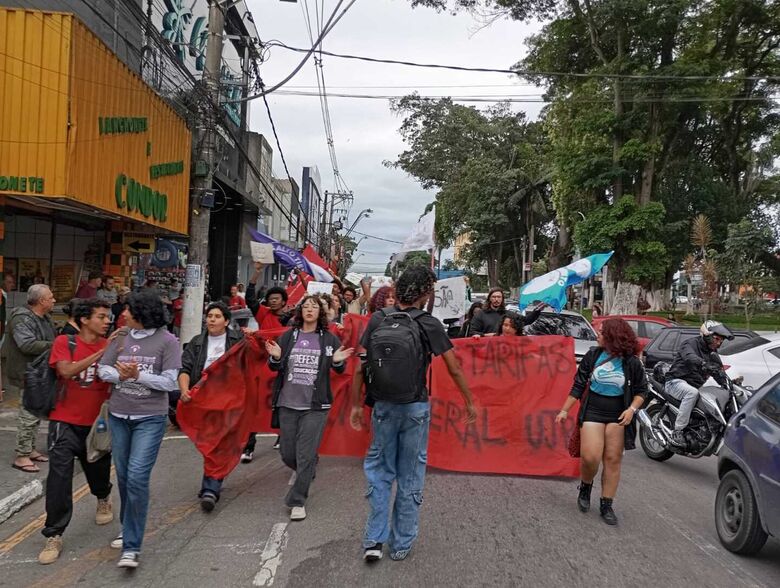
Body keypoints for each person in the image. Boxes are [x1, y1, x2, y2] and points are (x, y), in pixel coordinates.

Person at [350, 266, 477, 562]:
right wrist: (469, 400)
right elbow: (453, 366)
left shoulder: (378, 318)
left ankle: (373, 539)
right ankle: (401, 543)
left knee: (380, 472)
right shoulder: (428, 323)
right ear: (423, 293)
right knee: (410, 474)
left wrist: (357, 404)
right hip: (415, 407)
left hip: (382, 406)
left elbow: (360, 364)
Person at [98, 290, 182, 569]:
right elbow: (103, 369)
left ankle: (132, 547)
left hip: (150, 419)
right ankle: (127, 527)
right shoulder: (121, 337)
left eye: (129, 310)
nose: (124, 314)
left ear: (142, 314)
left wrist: (138, 376)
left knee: (136, 476)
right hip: (119, 415)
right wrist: (119, 375)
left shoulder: (168, 341)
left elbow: (170, 383)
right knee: (123, 476)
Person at [38, 299, 118, 565]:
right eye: (102, 316)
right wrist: (102, 352)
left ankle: (103, 496)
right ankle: (54, 533)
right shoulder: (65, 342)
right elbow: (66, 370)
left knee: (97, 468)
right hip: (64, 421)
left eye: (109, 317)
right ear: (84, 319)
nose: (107, 321)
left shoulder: (115, 345)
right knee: (59, 477)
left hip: (98, 423)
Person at [266, 295, 353, 521]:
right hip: (287, 403)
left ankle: (297, 500)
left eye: (314, 307)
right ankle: (308, 468)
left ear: (320, 313)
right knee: (287, 452)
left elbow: (340, 369)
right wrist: (275, 358)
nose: (310, 310)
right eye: (306, 306)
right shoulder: (288, 337)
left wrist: (336, 361)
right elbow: (275, 365)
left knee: (305, 454)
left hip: (316, 406)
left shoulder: (329, 339)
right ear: (300, 312)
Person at [555, 318, 648, 526]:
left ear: (612, 336)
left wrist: (632, 410)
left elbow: (642, 391)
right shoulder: (592, 356)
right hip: (593, 411)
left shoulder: (631, 362)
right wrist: (564, 411)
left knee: (613, 459)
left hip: (618, 415)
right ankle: (586, 485)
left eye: (601, 332)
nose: (597, 334)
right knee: (590, 457)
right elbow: (578, 385)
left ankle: (607, 503)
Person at [179, 302, 243, 511]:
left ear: (226, 321)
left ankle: (211, 488)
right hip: (203, 401)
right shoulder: (196, 343)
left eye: (217, 316)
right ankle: (212, 479)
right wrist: (185, 390)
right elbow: (185, 368)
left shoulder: (238, 341)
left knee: (220, 443)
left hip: (229, 400)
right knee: (209, 443)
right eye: (209, 316)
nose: (212, 320)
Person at [2, 284, 56, 473]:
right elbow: (26, 344)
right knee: (27, 414)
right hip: (27, 373)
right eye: (51, 297)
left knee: (34, 412)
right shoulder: (21, 318)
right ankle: (22, 455)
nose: (54, 300)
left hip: (38, 372)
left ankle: (30, 450)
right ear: (41, 301)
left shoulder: (44, 317)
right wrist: (56, 345)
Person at [664, 320, 733, 447]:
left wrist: (728, 384)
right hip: (675, 381)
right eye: (716, 339)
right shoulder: (690, 344)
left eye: (720, 341)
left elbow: (718, 372)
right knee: (692, 393)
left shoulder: (712, 354)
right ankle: (677, 432)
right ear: (706, 335)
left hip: (694, 385)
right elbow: (689, 357)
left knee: (711, 398)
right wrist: (703, 363)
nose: (718, 343)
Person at [246, 262, 289, 331]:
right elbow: (250, 299)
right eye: (271, 299)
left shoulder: (289, 319)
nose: (273, 301)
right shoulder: (263, 313)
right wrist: (256, 273)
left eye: (276, 298)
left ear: (283, 302)